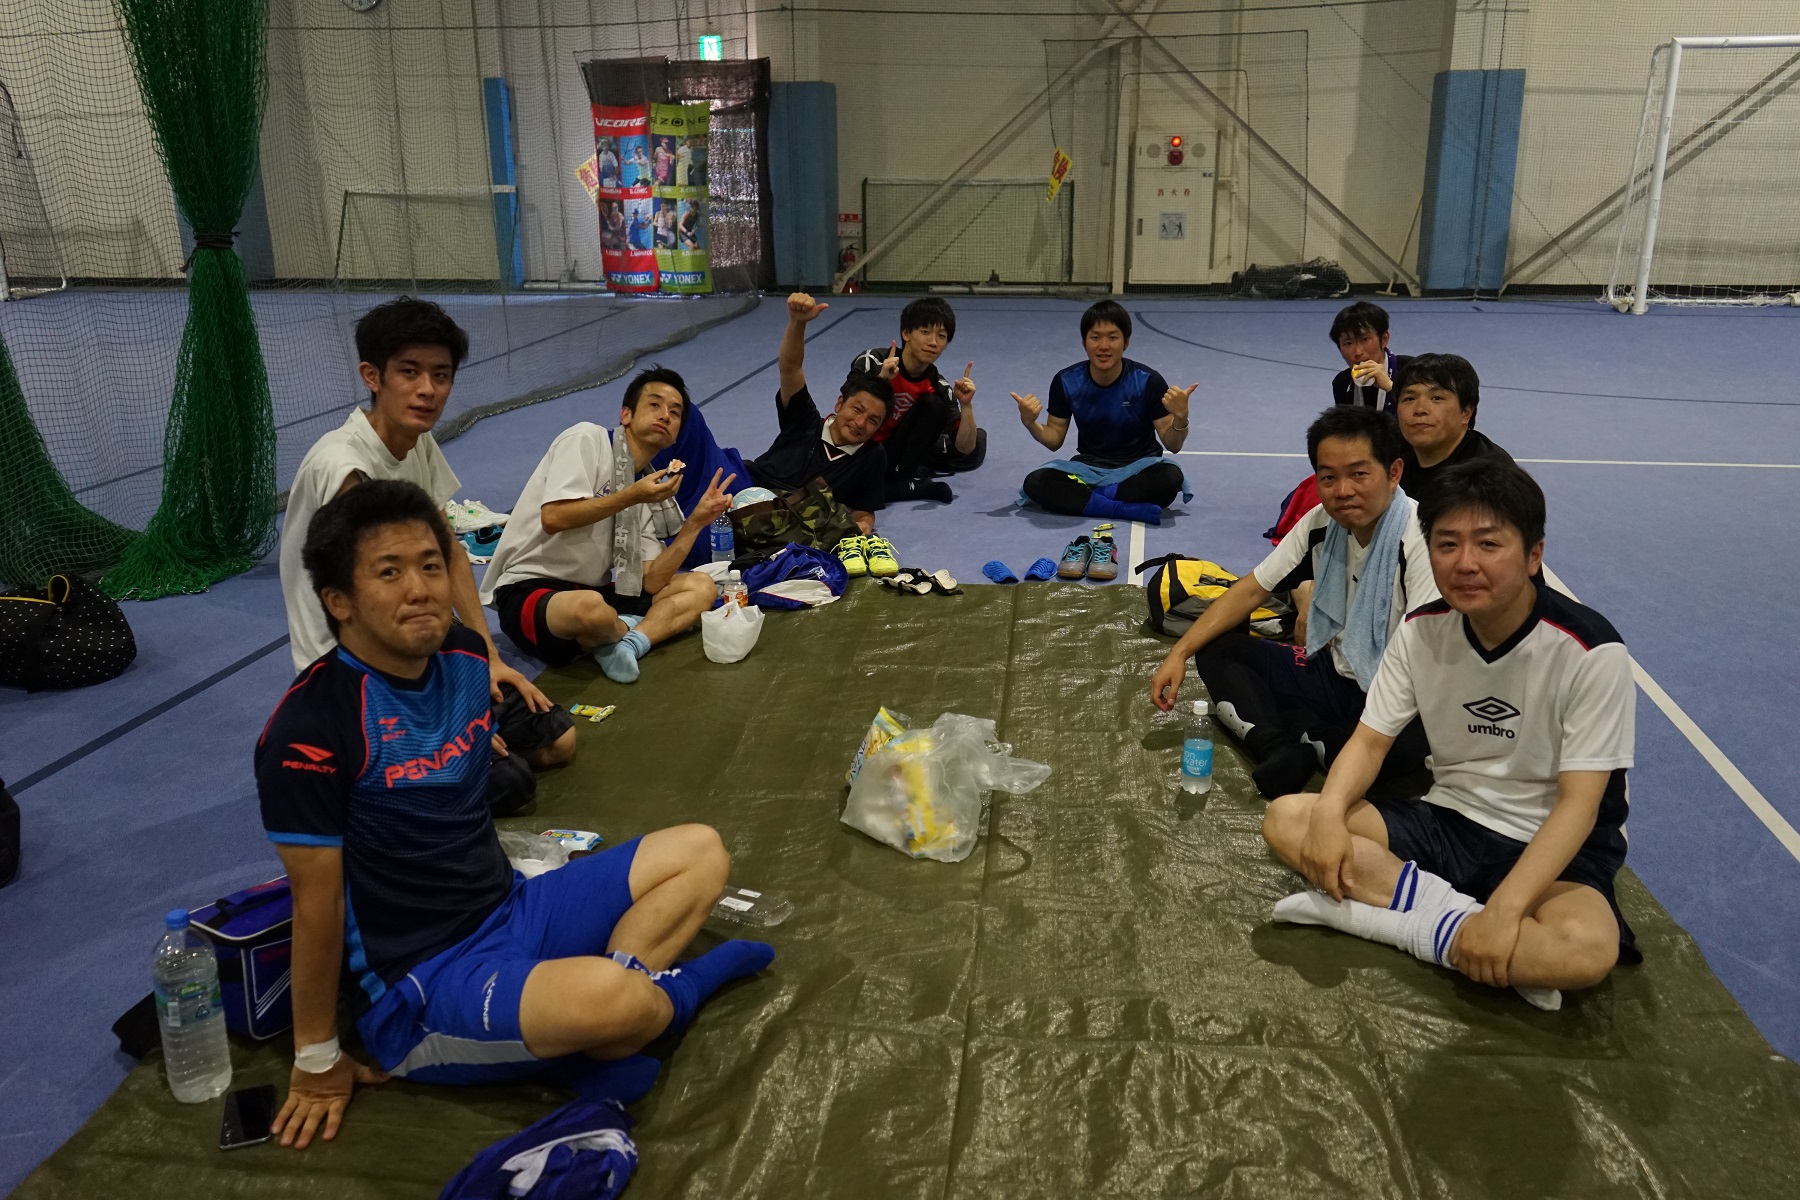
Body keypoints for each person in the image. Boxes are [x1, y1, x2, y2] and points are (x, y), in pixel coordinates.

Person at [259, 480, 774, 1149]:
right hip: (423, 982)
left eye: (431, 565)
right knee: (615, 999)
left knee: (701, 850)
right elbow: (316, 906)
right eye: (389, 573)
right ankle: (664, 1001)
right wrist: (315, 1060)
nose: (420, 589)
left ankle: (599, 1028)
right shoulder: (309, 731)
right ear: (339, 601)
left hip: (513, 910)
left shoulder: (465, 658)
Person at [1261, 458, 1638, 1010]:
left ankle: (1393, 923)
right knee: (1289, 819)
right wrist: (1328, 814)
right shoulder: (1421, 629)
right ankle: (1461, 930)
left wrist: (1506, 909)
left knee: (1584, 951)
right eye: (1447, 544)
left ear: (1534, 555)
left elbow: (1578, 806)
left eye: (1488, 544)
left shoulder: (1590, 650)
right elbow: (1369, 742)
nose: (1465, 563)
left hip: (1553, 847)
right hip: (1449, 822)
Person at [276, 297, 570, 779]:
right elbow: (368, 607)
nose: (427, 390)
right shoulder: (344, 467)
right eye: (409, 372)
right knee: (509, 781)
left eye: (441, 375)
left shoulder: (417, 441)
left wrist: (486, 656)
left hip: (412, 643)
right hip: (353, 675)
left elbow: (448, 548)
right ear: (372, 376)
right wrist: (447, 711)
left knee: (555, 741)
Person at [1150, 406, 1435, 798]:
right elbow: (1252, 589)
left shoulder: (1421, 544)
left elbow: (1425, 661)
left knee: (1408, 751)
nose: (1343, 490)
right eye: (1328, 477)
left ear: (1394, 472)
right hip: (1332, 674)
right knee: (1219, 649)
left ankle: (1308, 732)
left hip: (1396, 695)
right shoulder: (1321, 523)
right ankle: (1280, 747)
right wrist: (1179, 653)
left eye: (1359, 474)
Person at [479, 368, 730, 684]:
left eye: (675, 412)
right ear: (626, 415)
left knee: (702, 586)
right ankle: (628, 629)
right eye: (654, 404)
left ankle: (627, 643)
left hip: (593, 592)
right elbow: (554, 517)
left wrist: (695, 524)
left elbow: (652, 580)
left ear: (677, 433)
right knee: (590, 609)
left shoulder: (645, 487)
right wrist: (630, 496)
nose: (665, 415)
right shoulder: (586, 440)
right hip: (530, 589)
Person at [649, 293, 897, 575]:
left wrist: (860, 528)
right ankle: (627, 475)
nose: (860, 422)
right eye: (856, 409)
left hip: (774, 519)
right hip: (738, 479)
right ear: (840, 404)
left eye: (873, 420)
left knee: (700, 553)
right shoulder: (805, 420)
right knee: (683, 412)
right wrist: (797, 322)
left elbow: (864, 510)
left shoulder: (872, 456)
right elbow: (790, 368)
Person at [1014, 300, 1192, 524]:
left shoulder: (1148, 381)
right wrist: (1031, 423)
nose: (1104, 346)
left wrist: (1181, 417)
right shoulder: (1066, 381)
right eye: (1095, 337)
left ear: (1126, 342)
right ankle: (1121, 508)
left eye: (1113, 337)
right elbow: (1054, 438)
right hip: (1088, 469)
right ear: (1084, 342)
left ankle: (1089, 500)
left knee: (1170, 478)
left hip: (1140, 468)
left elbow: (1173, 444)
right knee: (1036, 481)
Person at [849, 297, 985, 505]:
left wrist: (966, 405)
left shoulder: (938, 385)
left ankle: (902, 477)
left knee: (973, 440)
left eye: (941, 336)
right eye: (925, 332)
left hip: (893, 452)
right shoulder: (872, 362)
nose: (933, 342)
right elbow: (846, 411)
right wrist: (881, 381)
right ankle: (913, 487)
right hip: (857, 446)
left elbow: (965, 448)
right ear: (906, 334)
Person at [1393, 353, 1513, 502]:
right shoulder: (1398, 468)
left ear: (1466, 413)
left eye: (1437, 398)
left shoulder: (1492, 478)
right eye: (1409, 398)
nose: (1420, 409)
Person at [1329, 301, 1412, 413]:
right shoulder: (1342, 383)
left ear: (1384, 339)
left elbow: (1425, 416)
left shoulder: (1412, 371)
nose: (1358, 352)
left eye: (1364, 339)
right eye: (1348, 343)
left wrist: (1390, 388)